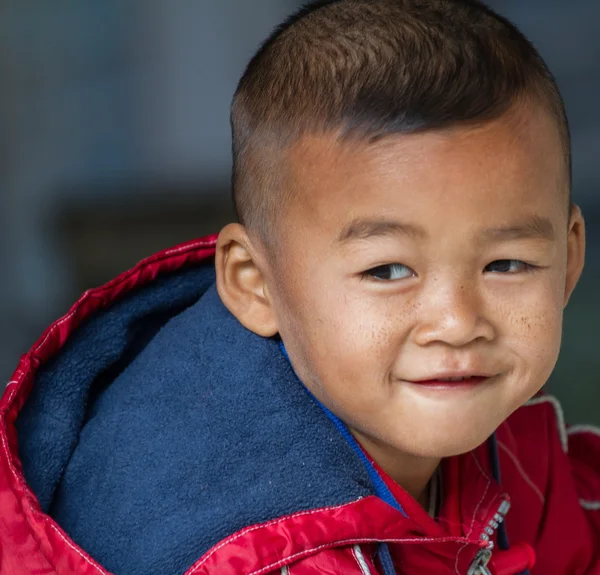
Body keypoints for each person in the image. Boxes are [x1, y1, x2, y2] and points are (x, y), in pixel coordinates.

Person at [1, 1, 599, 574]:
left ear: (568, 260)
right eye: (387, 271)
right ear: (255, 284)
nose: (457, 321)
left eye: (507, 264)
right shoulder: (254, 548)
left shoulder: (479, 435)